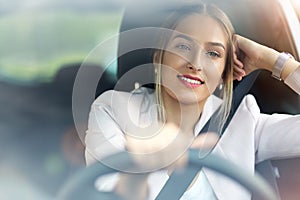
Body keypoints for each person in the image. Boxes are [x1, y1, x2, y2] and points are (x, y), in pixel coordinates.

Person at [84, 2, 300, 200]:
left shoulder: (243, 121)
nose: (196, 64)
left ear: (225, 72)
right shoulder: (113, 110)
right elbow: (108, 193)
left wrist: (272, 61)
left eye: (213, 54)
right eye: (183, 47)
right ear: (159, 57)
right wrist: (139, 173)